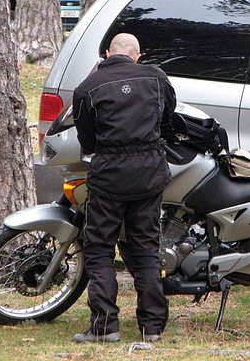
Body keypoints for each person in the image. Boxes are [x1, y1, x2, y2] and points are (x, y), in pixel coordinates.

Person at [71, 32, 176, 343]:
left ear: (106, 55)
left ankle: (105, 327)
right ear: (137, 56)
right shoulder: (157, 78)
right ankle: (153, 327)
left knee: (100, 249)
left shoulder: (88, 88)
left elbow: (87, 139)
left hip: (109, 176)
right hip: (149, 173)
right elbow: (167, 119)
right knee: (145, 247)